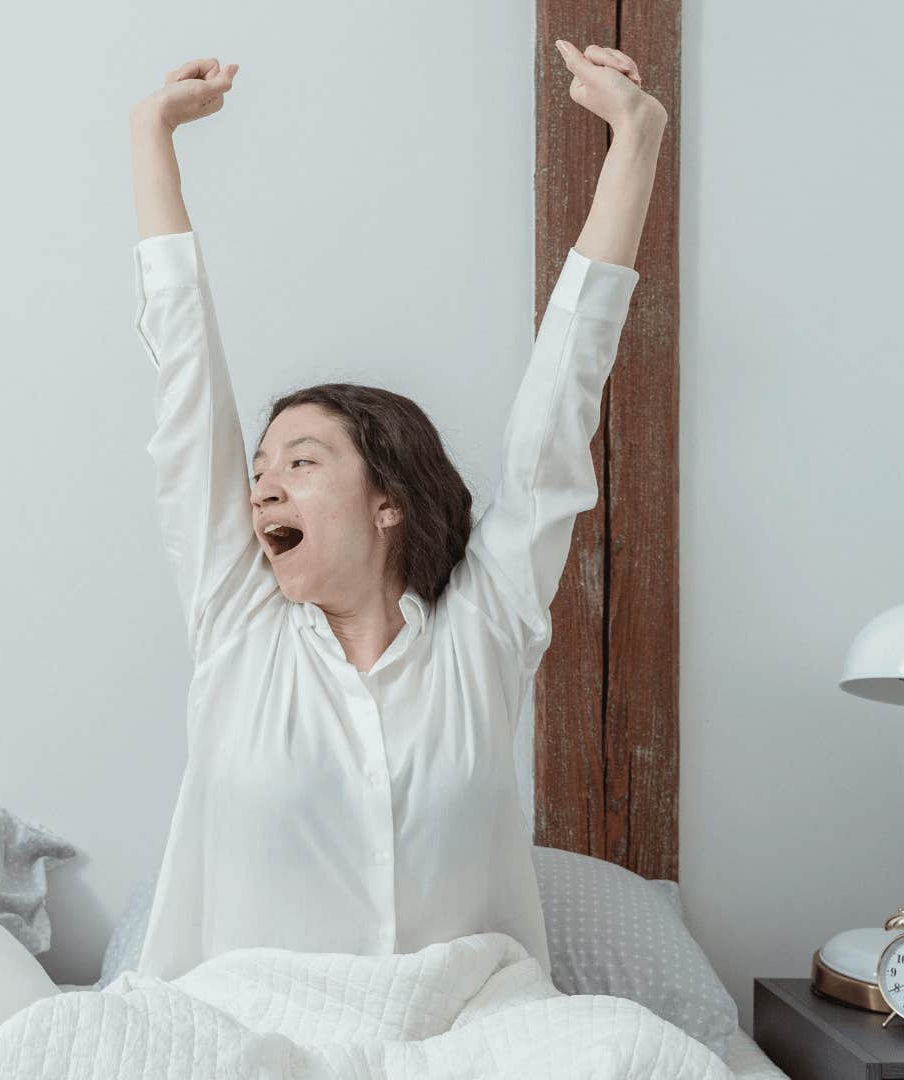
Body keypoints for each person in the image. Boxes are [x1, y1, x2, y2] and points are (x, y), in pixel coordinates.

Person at [126, 43, 666, 981]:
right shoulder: (237, 624)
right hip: (257, 1042)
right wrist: (150, 138)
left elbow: (560, 405)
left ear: (386, 502)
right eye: (259, 472)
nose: (261, 488)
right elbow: (185, 382)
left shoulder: (483, 635)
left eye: (301, 462)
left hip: (461, 1038)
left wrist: (637, 142)